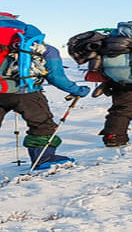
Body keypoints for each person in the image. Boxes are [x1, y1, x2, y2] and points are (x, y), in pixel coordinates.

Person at [0, 13, 90, 169]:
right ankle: (44, 158)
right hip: (27, 92)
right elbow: (56, 77)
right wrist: (78, 90)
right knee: (42, 125)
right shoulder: (40, 47)